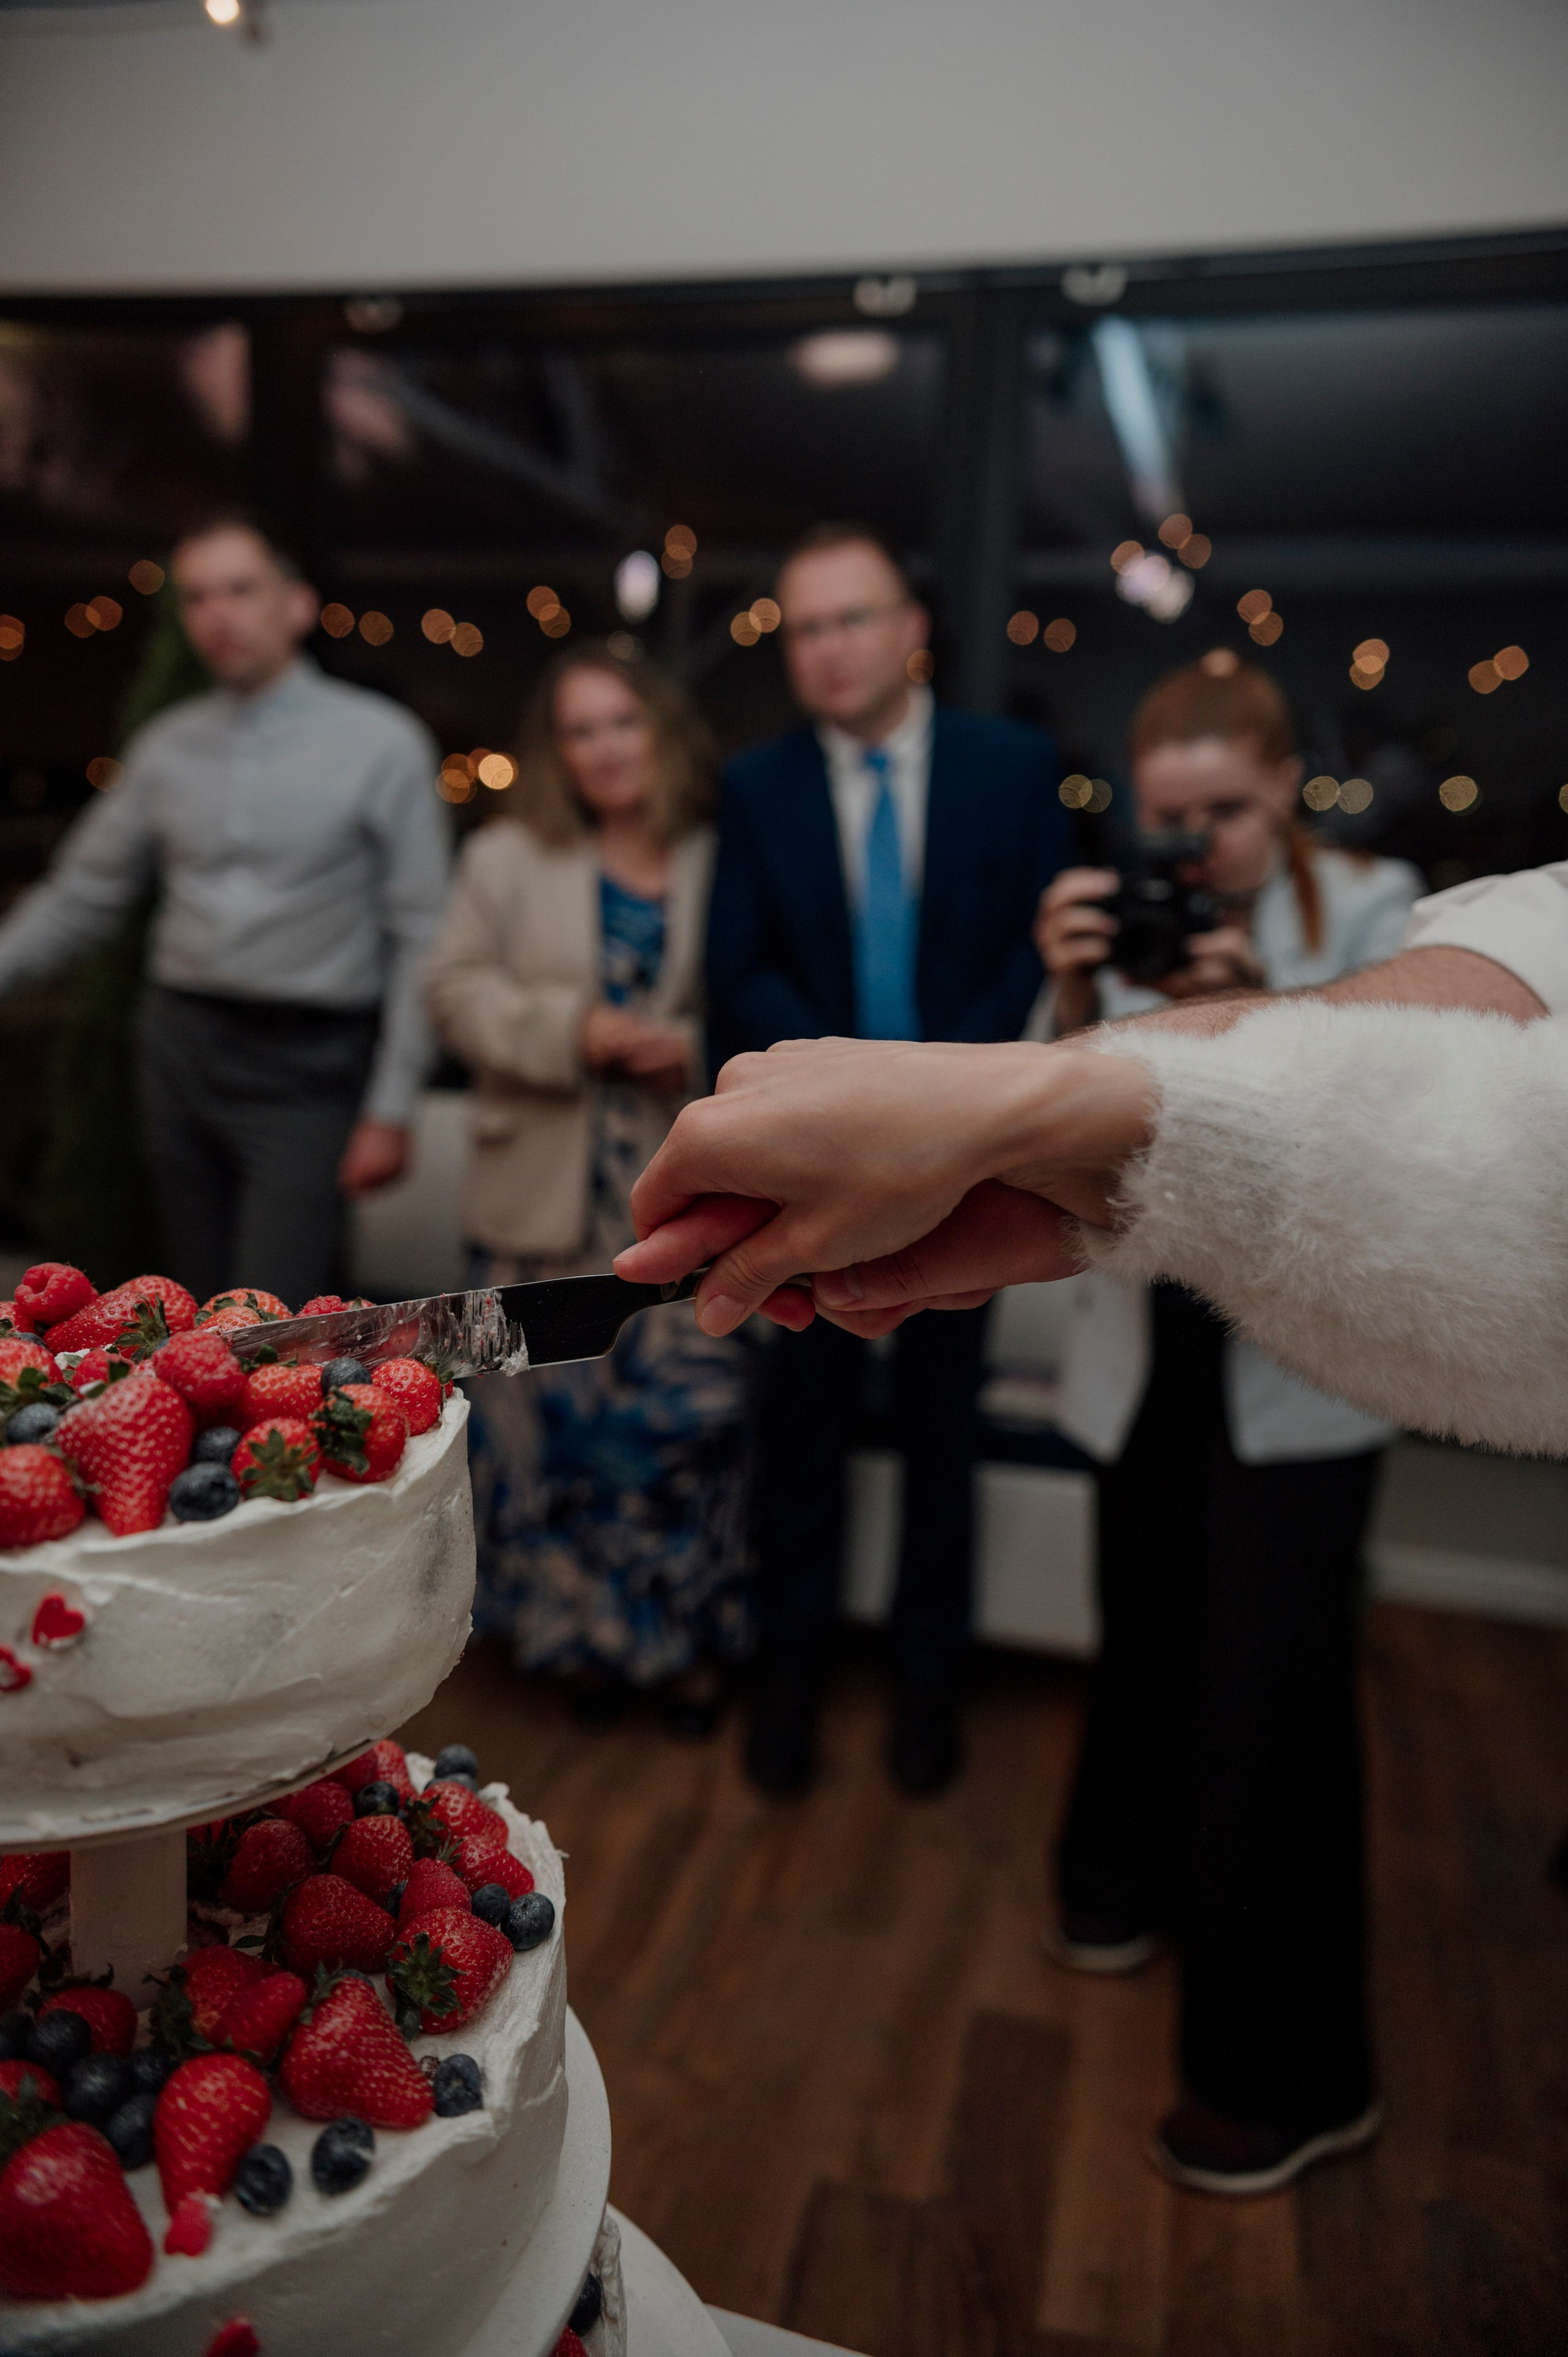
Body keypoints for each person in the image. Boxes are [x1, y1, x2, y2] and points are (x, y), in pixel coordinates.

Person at [1028, 656, 1420, 2189]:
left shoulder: (1379, 915)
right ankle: (1122, 1875)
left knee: (1275, 1693)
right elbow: (1020, 1130)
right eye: (1169, 815)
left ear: (1286, 792)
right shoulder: (1121, 917)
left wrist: (1237, 1001)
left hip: (1301, 1358)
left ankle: (1292, 2069)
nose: (1197, 846)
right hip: (1146, 1342)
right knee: (1142, 1636)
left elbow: (1386, 1144)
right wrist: (1073, 993)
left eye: (1228, 814)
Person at [706, 521, 1069, 1797]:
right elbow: (735, 970)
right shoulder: (755, 787)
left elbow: (1031, 957)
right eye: (804, 627)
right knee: (798, 1436)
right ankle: (788, 1672)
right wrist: (840, 1111)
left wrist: (941, 1112)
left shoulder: (1011, 767)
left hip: (970, 1172)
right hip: (808, 1176)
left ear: (912, 628)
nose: (828, 647)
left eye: (851, 618)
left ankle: (928, 1682)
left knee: (938, 1435)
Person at [423, 645, 752, 1731]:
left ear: (660, 729)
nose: (605, 748)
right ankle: (581, 1649)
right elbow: (453, 994)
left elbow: (769, 1001)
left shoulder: (725, 853)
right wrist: (573, 1032)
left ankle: (668, 1641)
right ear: (557, 751)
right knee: (539, 1433)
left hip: (682, 1194)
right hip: (541, 1199)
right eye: (580, 730)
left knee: (692, 1419)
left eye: (623, 722)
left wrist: (692, 1046)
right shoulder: (509, 857)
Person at [0, 515, 448, 1306]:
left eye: (240, 589)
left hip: (308, 1065)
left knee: (268, 1317)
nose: (218, 614)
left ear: (298, 605)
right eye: (198, 597)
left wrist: (392, 1103)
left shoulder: (381, 743)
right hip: (180, 1048)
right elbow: (81, 897)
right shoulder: (167, 746)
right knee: (192, 1311)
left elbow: (422, 931)